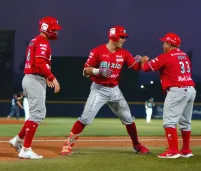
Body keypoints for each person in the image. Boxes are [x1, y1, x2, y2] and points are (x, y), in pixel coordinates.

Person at [61, 25, 150, 156]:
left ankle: (137, 145)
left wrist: (142, 61)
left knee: (128, 119)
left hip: (114, 90)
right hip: (99, 89)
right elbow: (85, 71)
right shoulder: (97, 51)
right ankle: (67, 145)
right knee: (85, 119)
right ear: (114, 37)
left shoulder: (124, 53)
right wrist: (98, 71)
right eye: (122, 37)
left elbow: (136, 67)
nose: (124, 40)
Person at [8, 16, 61, 159]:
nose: (56, 32)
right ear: (47, 29)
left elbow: (35, 63)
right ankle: (25, 149)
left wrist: (45, 76)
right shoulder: (42, 42)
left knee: (36, 114)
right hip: (34, 80)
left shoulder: (34, 41)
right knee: (38, 114)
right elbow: (40, 64)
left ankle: (17, 140)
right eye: (54, 29)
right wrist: (52, 78)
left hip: (31, 78)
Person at [141, 33, 196, 158]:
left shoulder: (166, 56)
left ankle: (172, 150)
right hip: (190, 89)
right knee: (185, 122)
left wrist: (144, 60)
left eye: (165, 42)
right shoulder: (184, 55)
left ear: (170, 44)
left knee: (169, 121)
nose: (163, 45)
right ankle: (186, 150)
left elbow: (145, 68)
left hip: (177, 90)